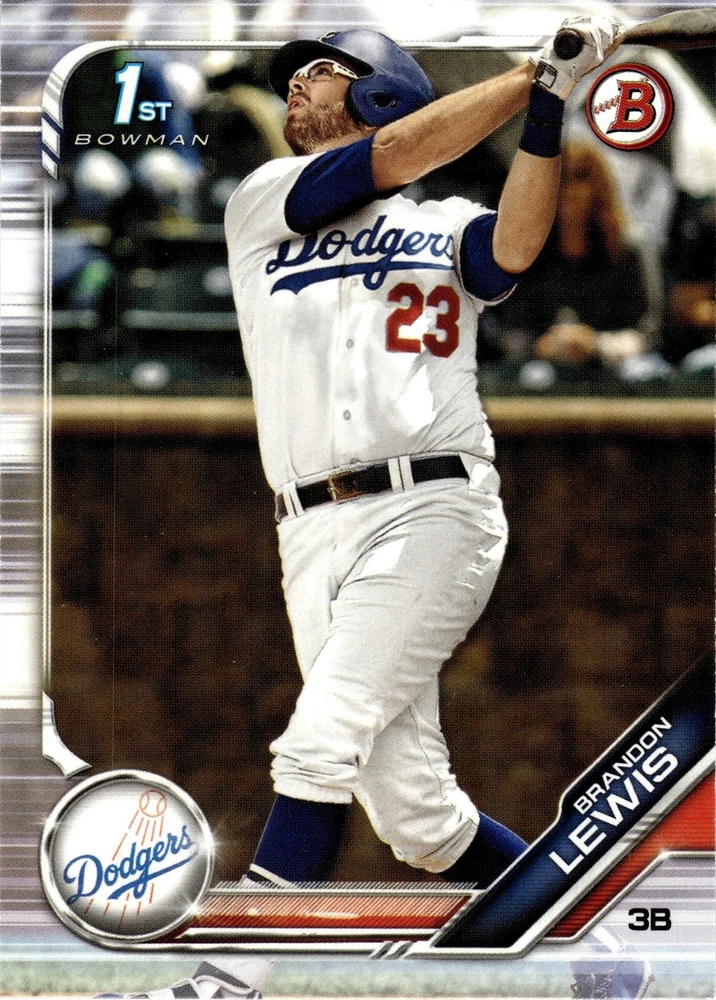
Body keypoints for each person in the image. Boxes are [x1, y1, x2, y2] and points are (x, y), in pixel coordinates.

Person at [224, 25, 620, 891]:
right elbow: (392, 156)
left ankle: (242, 956)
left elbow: (512, 250)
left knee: (319, 741)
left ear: (381, 90)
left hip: (430, 505)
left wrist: (550, 103)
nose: (295, 85)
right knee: (416, 817)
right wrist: (534, 73)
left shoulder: (443, 223)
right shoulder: (262, 199)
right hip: (307, 528)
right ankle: (593, 942)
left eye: (320, 70)